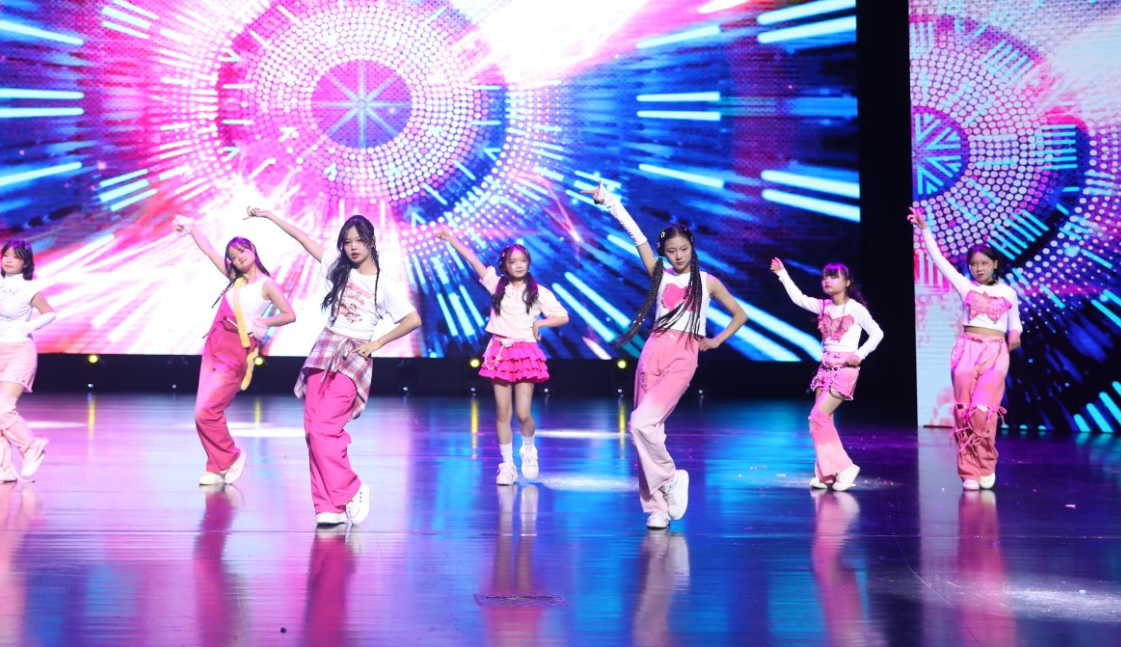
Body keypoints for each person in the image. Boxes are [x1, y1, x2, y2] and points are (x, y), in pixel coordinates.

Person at [248, 207, 421, 527]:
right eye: (347, 241)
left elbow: (413, 319)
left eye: (359, 240)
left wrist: (377, 343)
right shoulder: (338, 267)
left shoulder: (384, 283)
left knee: (324, 428)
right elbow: (303, 239)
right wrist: (270, 216)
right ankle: (328, 506)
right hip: (324, 349)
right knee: (312, 432)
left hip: (354, 355)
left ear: (371, 242)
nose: (352, 247)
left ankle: (351, 488)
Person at [595, 184, 748, 529]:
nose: (678, 256)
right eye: (671, 251)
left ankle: (670, 478)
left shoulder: (707, 282)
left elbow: (740, 315)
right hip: (653, 351)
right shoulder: (660, 275)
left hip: (684, 355)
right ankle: (657, 508)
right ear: (664, 253)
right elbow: (638, 238)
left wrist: (717, 341)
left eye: (683, 249)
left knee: (640, 423)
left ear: (692, 247)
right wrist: (612, 203)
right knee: (649, 433)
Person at [434, 225, 570, 484]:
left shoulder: (538, 292)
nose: (518, 265)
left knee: (523, 414)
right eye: (513, 261)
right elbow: (473, 259)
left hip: (526, 353)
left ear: (528, 263)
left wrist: (540, 323)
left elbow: (562, 316)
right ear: (505, 265)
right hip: (500, 353)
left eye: (523, 261)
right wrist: (450, 239)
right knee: (502, 413)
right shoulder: (497, 285)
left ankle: (528, 449)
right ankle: (507, 465)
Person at [172, 215, 297, 486]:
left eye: (241, 251)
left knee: (206, 411)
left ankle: (230, 456)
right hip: (214, 346)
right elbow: (209, 251)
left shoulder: (267, 285)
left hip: (235, 353)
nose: (237, 258)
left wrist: (265, 322)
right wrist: (192, 228)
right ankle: (216, 466)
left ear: (252, 250)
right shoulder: (234, 279)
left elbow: (289, 314)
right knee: (202, 412)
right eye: (232, 256)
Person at [909, 206, 1020, 490]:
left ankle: (986, 463)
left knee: (983, 411)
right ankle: (969, 470)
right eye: (973, 264)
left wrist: (1015, 333)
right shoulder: (965, 286)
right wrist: (924, 229)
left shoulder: (1008, 292)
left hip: (996, 352)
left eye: (984, 263)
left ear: (995, 263)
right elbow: (938, 259)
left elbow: (1015, 322)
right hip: (967, 350)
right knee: (963, 411)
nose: (978, 268)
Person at [769, 257, 884, 490]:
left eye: (833, 277)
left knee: (817, 417)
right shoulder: (824, 306)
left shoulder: (855, 308)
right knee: (824, 421)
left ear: (847, 282)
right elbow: (798, 298)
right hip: (825, 368)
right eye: (824, 277)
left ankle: (846, 467)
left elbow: (877, 333)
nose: (827, 280)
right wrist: (782, 274)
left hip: (845, 369)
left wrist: (860, 354)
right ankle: (826, 474)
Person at [0, 201, 59, 484]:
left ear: (25, 263)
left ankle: (31, 447)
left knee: (3, 409)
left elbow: (50, 313)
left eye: (15, 257)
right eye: (6, 255)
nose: (7, 260)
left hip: (21, 352)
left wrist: (28, 326)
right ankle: (3, 468)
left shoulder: (29, 288)